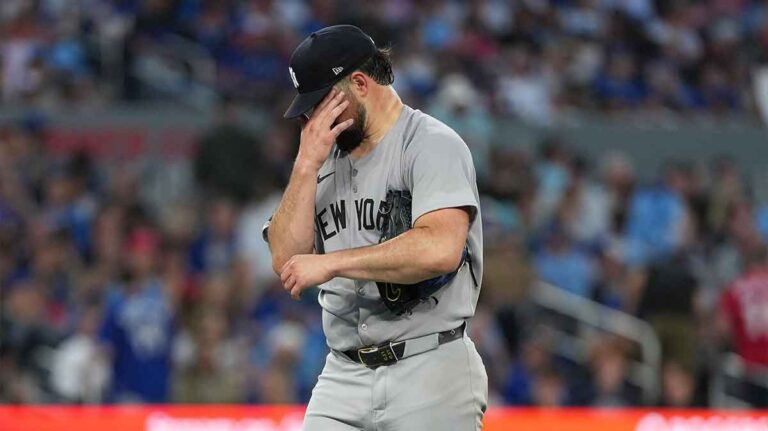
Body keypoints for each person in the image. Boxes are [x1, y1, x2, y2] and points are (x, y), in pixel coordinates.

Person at [263, 25, 487, 430]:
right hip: (343, 372)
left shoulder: (431, 144)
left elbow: (440, 249)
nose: (312, 119)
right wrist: (305, 165)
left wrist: (334, 263)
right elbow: (286, 260)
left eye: (321, 103)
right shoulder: (321, 158)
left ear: (360, 84)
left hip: (429, 366)